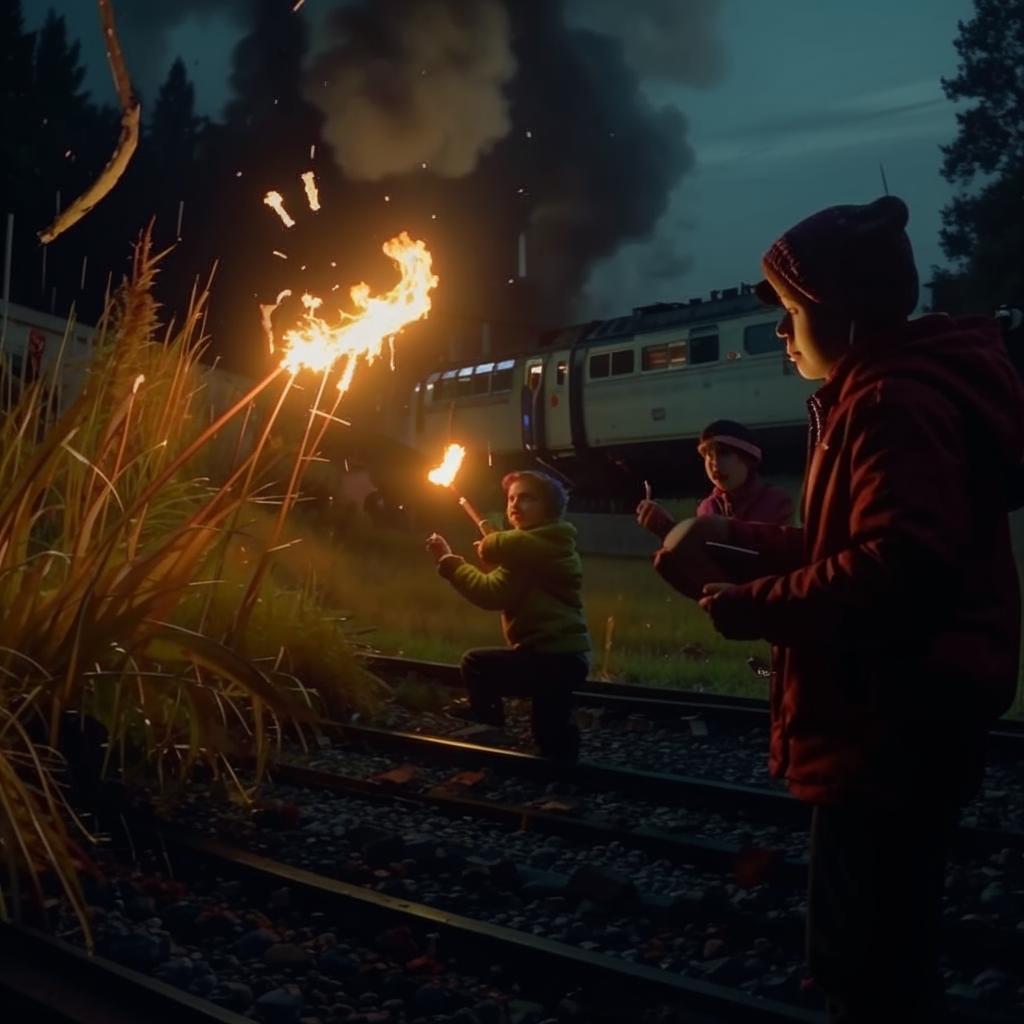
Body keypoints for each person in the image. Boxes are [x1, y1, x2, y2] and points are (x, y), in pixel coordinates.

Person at [687, 195, 1024, 1021]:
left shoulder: (889, 405)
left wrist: (754, 607)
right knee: (873, 945)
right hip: (898, 712)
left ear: (837, 314)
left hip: (892, 716)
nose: (781, 331)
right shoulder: (880, 392)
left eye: (792, 311)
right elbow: (855, 543)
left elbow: (897, 569)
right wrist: (746, 548)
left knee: (863, 966)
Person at [425, 470, 590, 761]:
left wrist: (451, 564)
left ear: (549, 506)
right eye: (511, 498)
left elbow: (492, 593)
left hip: (548, 658)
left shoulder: (527, 550)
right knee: (551, 734)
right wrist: (496, 547)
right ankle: (566, 773)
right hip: (565, 657)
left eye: (527, 498)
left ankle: (487, 720)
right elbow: (512, 581)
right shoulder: (550, 544)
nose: (515, 504)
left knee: (476, 664)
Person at [636, 420, 793, 541]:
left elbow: (770, 554)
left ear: (748, 460)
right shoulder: (707, 507)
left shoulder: (777, 501)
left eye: (724, 453)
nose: (715, 463)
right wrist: (668, 530)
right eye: (708, 455)